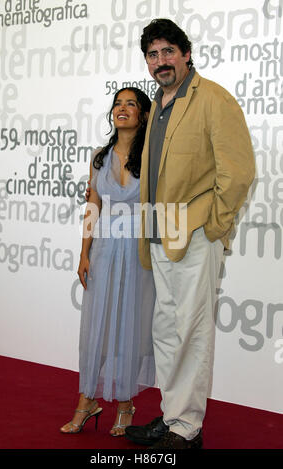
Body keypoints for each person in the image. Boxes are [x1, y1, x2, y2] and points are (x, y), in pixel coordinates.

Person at [125, 19, 255, 449]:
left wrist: (213, 226)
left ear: (185, 53)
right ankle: (173, 414)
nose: (161, 61)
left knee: (192, 331)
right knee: (166, 330)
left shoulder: (213, 99)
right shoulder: (159, 107)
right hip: (160, 238)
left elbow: (237, 173)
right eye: (153, 54)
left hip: (195, 236)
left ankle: (187, 429)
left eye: (168, 51)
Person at [60, 87, 156, 437]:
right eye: (118, 103)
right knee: (96, 327)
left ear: (144, 114)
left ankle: (127, 404)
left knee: (130, 325)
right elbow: (93, 207)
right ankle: (87, 401)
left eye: (131, 104)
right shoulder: (99, 156)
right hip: (103, 249)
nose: (122, 109)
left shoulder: (151, 154)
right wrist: (84, 252)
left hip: (138, 249)